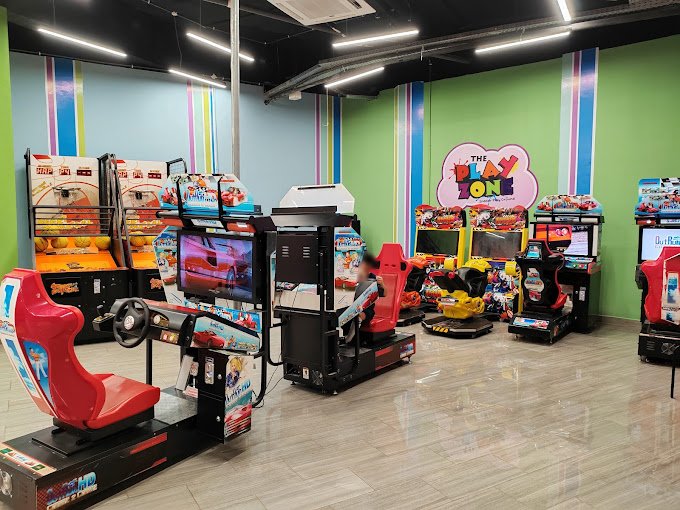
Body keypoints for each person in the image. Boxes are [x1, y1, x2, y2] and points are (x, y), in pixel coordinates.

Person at [356, 253, 384, 328]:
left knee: (360, 313)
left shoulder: (373, 277)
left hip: (367, 309)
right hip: (354, 305)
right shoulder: (355, 275)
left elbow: (384, 294)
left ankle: (358, 324)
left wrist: (382, 284)